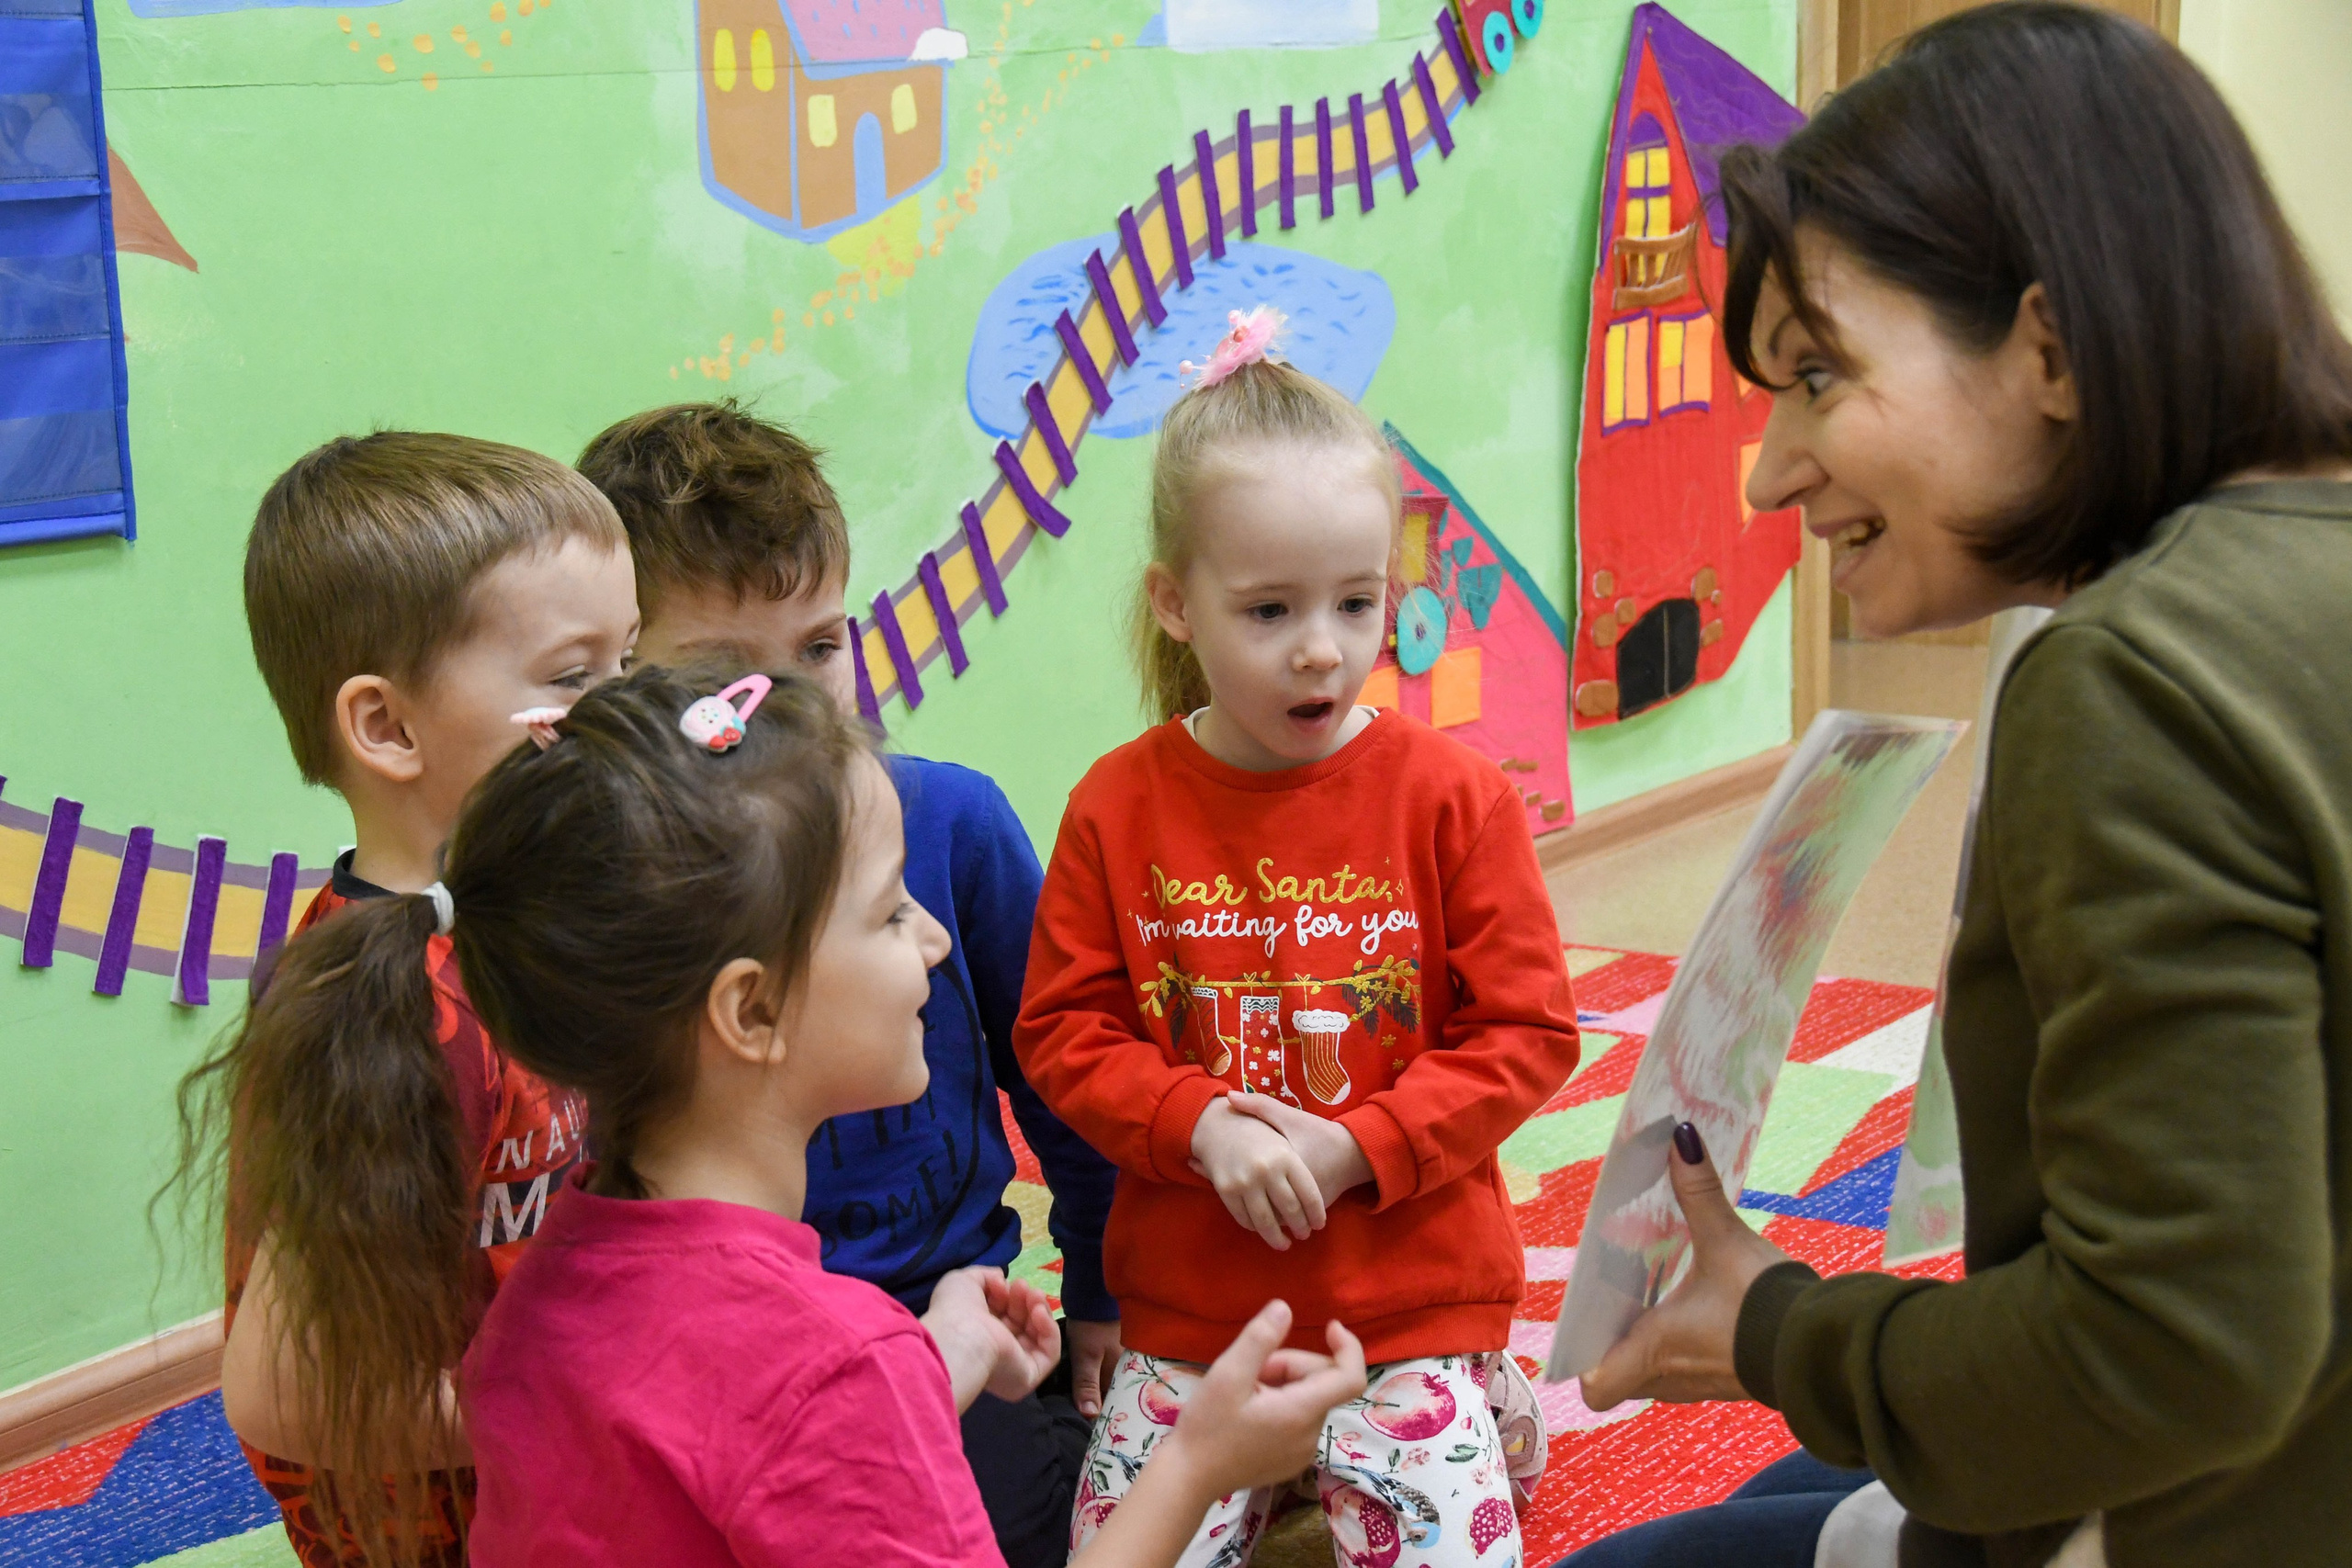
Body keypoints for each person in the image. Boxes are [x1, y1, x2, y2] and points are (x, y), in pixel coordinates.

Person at [1566, 6, 2352, 1567]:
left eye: (1815, 373)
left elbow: (2180, 1348)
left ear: (2050, 348)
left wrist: (1783, 1330)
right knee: (1770, 1504)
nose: (1769, 467)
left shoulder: (2134, 678)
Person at [289, 660, 1364, 1565]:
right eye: (893, 909)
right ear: (751, 1009)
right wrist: (1200, 1459)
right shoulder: (835, 1362)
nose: (935, 944)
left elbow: (738, 1437)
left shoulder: (538, 1296)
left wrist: (928, 1355)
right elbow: (803, 1400)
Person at [1014, 310, 1582, 1566]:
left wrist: (1360, 1147)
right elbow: (1062, 1028)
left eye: (1357, 600)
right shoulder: (1117, 801)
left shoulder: (1456, 795)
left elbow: (1530, 1028)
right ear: (1175, 602)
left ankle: (1487, 1396)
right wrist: (1195, 1122)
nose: (1321, 646)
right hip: (1191, 1318)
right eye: (1269, 608)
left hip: (1410, 1306)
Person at [575, 402, 1123, 1568]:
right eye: (723, 678)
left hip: (965, 1322)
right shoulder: (624, 883)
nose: (799, 710)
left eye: (820, 647)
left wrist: (1103, 1297)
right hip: (736, 1349)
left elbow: (1064, 1080)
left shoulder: (953, 823)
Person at [171, 433, 641, 1565]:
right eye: (575, 678)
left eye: (629, 663)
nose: (626, 713)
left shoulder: (525, 919)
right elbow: (282, 1395)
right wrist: (562, 1416)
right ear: (386, 727)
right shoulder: (386, 1006)